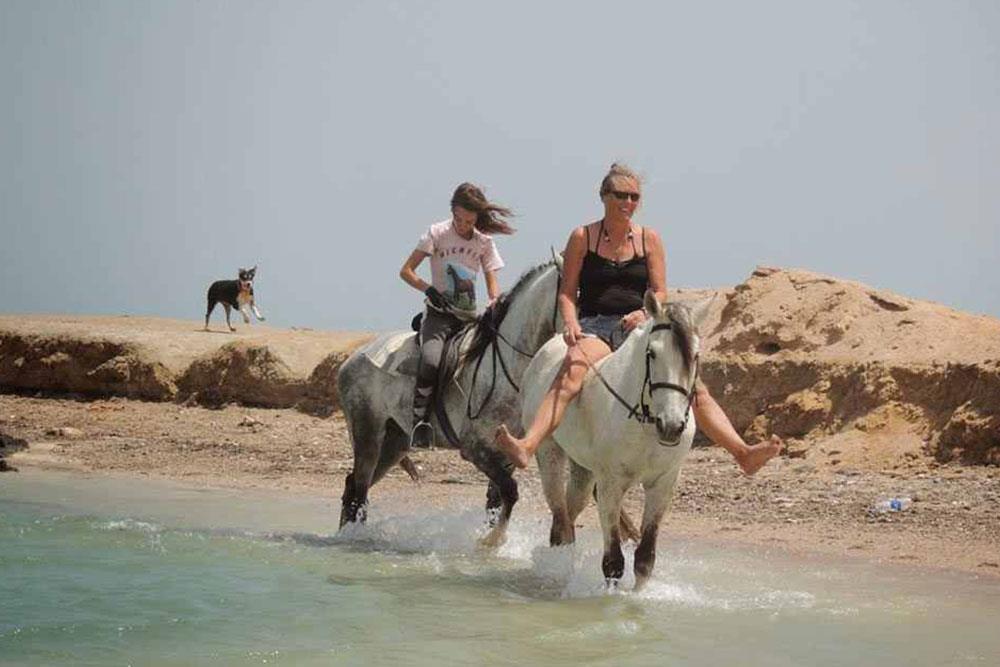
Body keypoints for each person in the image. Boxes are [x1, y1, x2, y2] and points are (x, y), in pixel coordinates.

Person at [495, 163, 782, 473]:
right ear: (604, 196)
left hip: (640, 326)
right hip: (595, 326)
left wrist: (644, 312)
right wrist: (570, 322)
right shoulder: (582, 237)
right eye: (621, 195)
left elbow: (659, 291)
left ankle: (742, 453)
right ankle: (528, 445)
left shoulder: (650, 239)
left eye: (634, 197)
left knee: (691, 383)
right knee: (571, 374)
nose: (628, 203)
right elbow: (566, 292)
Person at [400, 182, 514, 448]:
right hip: (439, 316)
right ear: (452, 211)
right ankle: (419, 422)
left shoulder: (484, 242)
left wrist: (494, 301)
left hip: (469, 319)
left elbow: (491, 280)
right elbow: (406, 271)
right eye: (459, 219)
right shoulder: (436, 233)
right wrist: (428, 289)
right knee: (430, 361)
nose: (463, 225)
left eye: (469, 221)